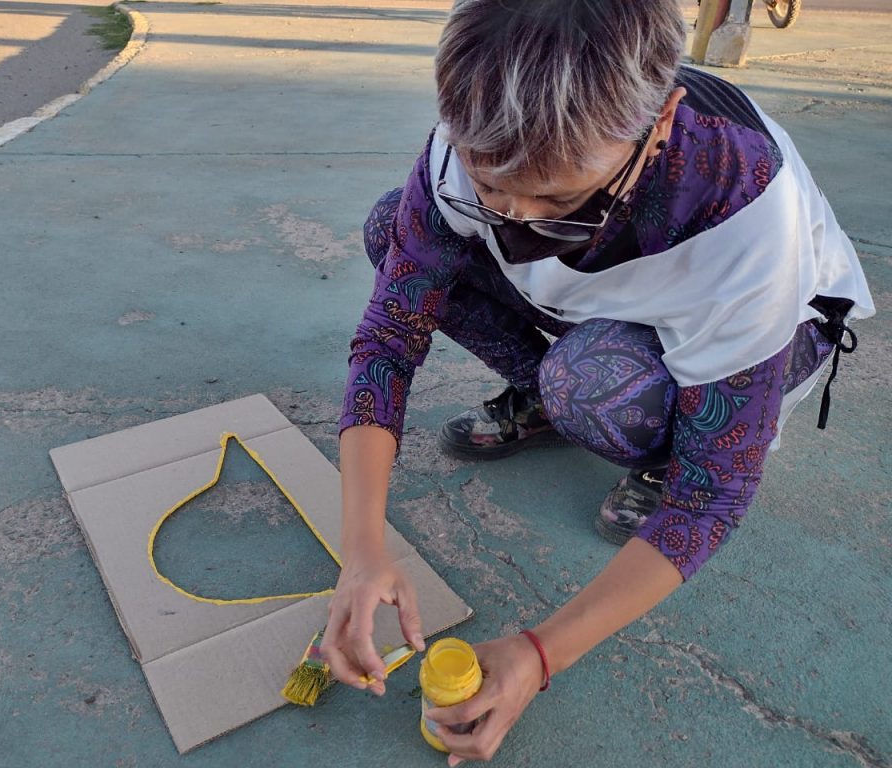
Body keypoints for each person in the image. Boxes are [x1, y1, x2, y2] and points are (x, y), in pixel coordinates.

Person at [320, 0, 874, 763]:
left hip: (768, 330)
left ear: (662, 121)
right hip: (612, 301)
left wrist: (540, 653)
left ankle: (643, 435)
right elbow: (389, 337)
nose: (515, 219)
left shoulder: (740, 210)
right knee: (397, 231)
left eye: (556, 199)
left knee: (590, 384)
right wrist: (361, 549)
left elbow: (713, 492)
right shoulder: (470, 135)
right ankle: (556, 392)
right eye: (491, 185)